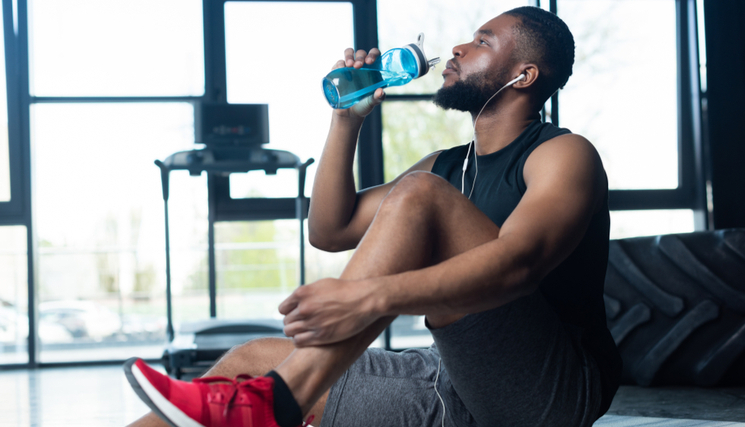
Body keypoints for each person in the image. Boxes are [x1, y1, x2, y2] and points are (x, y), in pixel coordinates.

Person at [124, 6, 621, 427]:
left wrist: (366, 298)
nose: (457, 50)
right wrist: (347, 120)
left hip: (550, 392)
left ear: (524, 75)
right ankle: (267, 398)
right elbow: (330, 230)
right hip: (454, 378)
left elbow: (519, 264)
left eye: (481, 42)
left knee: (421, 193)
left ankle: (275, 402)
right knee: (250, 362)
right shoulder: (450, 164)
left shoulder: (562, 153)